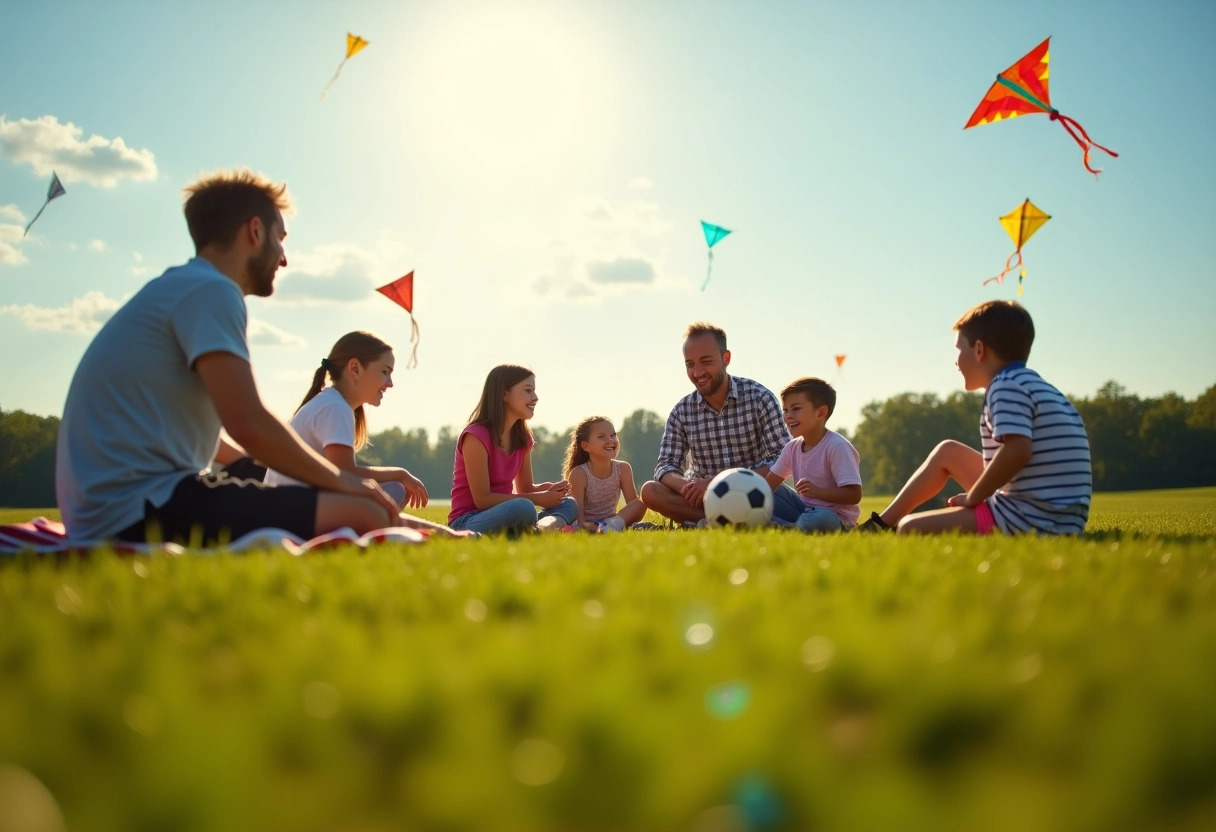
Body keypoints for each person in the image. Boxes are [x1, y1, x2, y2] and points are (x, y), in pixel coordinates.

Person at [55, 169, 400, 546]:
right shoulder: (212, 290)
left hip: (112, 506)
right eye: (280, 239)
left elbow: (222, 435)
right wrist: (345, 483)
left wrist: (257, 470)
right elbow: (248, 422)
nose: (283, 259)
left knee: (305, 488)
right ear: (255, 232)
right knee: (366, 513)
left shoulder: (182, 286)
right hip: (137, 512)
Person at [859, 300, 1091, 535]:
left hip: (1027, 517)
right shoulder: (1037, 385)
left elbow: (1018, 449)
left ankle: (884, 527)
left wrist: (973, 498)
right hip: (1062, 514)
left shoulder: (1004, 387)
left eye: (960, 349)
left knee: (910, 527)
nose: (956, 360)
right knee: (948, 451)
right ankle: (880, 525)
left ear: (979, 350)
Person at [265, 330, 471, 538]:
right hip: (296, 510)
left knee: (395, 489)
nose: (390, 383)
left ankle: (444, 534)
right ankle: (446, 535)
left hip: (292, 505)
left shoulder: (329, 402)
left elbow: (340, 474)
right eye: (385, 371)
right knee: (395, 488)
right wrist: (400, 473)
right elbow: (344, 473)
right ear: (354, 369)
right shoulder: (335, 407)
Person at [640, 322, 803, 526]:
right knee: (650, 491)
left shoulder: (759, 398)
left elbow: (783, 456)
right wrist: (689, 487)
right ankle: (735, 522)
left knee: (784, 499)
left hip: (757, 492)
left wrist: (719, 483)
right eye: (690, 364)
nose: (697, 372)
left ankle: (714, 523)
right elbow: (665, 466)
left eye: (706, 362)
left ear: (726, 359)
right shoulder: (681, 411)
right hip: (702, 498)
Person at [448, 365, 578, 535]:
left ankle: (538, 530)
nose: (535, 398)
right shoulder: (475, 436)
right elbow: (482, 500)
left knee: (569, 504)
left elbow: (525, 488)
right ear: (504, 394)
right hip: (468, 520)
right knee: (523, 508)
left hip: (506, 513)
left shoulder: (522, 438)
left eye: (534, 391)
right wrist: (539, 498)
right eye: (528, 390)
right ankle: (536, 529)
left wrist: (549, 490)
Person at [764, 377, 862, 532]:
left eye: (795, 409)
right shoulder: (792, 447)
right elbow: (768, 485)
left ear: (821, 412)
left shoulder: (836, 446)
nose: (788, 416)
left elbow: (854, 495)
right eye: (785, 410)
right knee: (773, 493)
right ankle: (784, 525)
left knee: (820, 518)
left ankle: (783, 526)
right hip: (803, 510)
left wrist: (817, 492)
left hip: (835, 517)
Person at [562, 416, 647, 532]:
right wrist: (588, 526)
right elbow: (579, 519)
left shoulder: (623, 468)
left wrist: (622, 520)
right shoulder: (579, 474)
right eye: (601, 437)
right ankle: (609, 528)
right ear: (586, 446)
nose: (610, 440)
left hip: (613, 521)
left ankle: (609, 527)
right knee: (584, 527)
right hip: (588, 525)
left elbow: (633, 508)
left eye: (613, 435)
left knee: (641, 503)